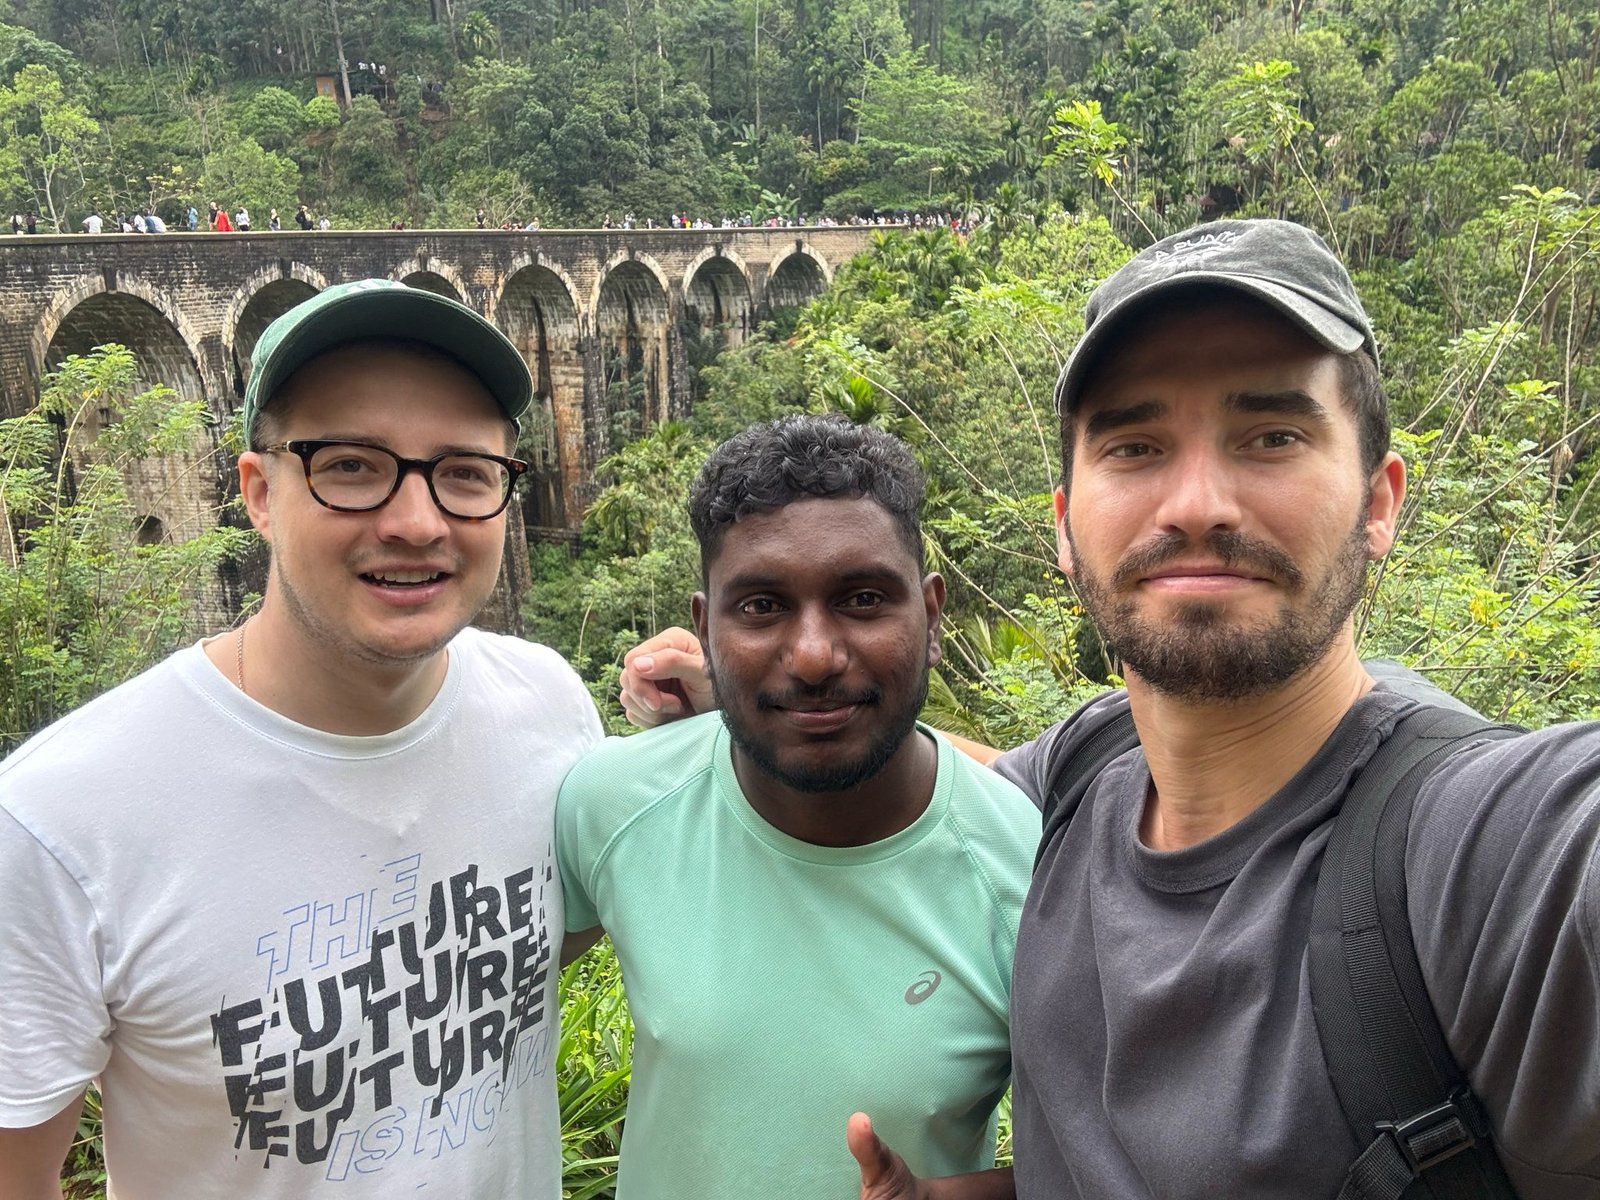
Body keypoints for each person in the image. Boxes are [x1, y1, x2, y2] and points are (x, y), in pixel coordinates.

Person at [620, 220, 1600, 1199]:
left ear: (1379, 502)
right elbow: (947, 774)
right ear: (1064, 526)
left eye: (1272, 437)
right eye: (1135, 446)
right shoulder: (1087, 771)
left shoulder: (1489, 849)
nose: (1197, 504)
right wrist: (747, 697)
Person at [0, 279, 604, 1197]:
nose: (417, 522)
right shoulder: (59, 821)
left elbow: (534, 953)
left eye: (464, 472)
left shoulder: (549, 703)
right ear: (258, 493)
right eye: (351, 465)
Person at [558, 414, 1036, 1200]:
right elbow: (480, 1004)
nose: (814, 656)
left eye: (863, 598)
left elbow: (1103, 1162)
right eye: (761, 606)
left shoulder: (1030, 872)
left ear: (932, 616)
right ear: (705, 628)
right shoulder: (610, 804)